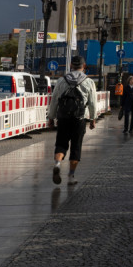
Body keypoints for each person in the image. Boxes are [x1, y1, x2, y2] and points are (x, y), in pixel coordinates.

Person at [47, 56, 98, 185]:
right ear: (84, 66)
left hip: (63, 118)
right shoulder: (89, 82)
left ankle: (58, 164)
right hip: (79, 119)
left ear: (70, 65)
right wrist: (93, 119)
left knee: (61, 143)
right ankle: (70, 176)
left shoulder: (61, 80)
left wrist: (51, 117)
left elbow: (54, 100)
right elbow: (92, 103)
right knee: (76, 147)